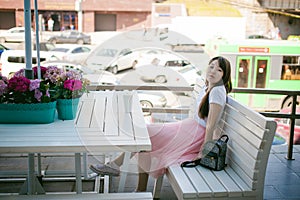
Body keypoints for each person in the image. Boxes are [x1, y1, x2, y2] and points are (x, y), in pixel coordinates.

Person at [89, 56, 232, 192]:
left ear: (224, 75)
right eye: (211, 67)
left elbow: (210, 125)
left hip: (194, 136)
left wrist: (203, 152)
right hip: (189, 128)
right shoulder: (209, 87)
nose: (213, 71)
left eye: (219, 70)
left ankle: (117, 167)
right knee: (144, 139)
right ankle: (135, 184)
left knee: (145, 134)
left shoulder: (217, 91)